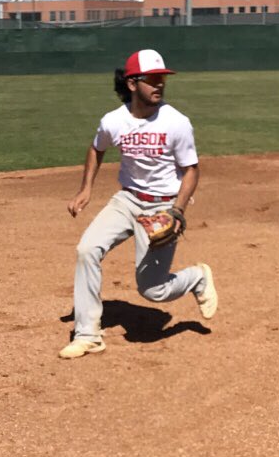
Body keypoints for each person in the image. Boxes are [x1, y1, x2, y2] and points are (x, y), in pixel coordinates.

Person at [61, 48, 217, 360]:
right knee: (87, 250)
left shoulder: (177, 123)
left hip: (163, 206)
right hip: (127, 199)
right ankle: (88, 334)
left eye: (162, 79)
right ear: (133, 84)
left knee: (153, 290)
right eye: (152, 79)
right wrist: (86, 188)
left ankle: (197, 277)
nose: (159, 84)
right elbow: (96, 148)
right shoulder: (113, 121)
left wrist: (177, 211)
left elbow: (191, 171)